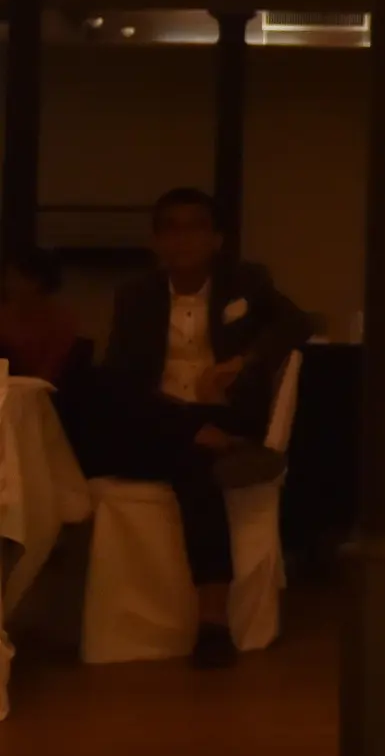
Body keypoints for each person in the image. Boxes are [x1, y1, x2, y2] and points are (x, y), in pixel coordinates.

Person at [81, 189, 306, 668]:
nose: (182, 239)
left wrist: (243, 360)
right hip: (158, 418)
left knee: (193, 464)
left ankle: (212, 618)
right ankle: (212, 619)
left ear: (216, 238)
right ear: (156, 241)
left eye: (194, 227)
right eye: (170, 228)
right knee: (112, 406)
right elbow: (121, 377)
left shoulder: (245, 282)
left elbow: (295, 322)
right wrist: (183, 425)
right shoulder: (136, 296)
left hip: (218, 416)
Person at [0, 247, 84, 385]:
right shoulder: (4, 313)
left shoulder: (60, 320)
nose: (7, 284)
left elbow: (46, 377)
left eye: (13, 277)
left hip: (42, 395)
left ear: (36, 281)